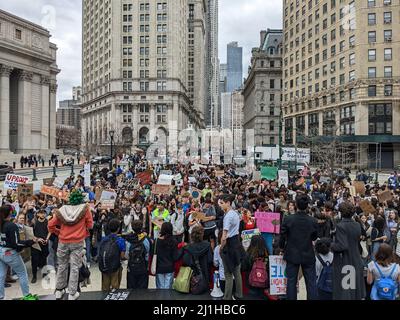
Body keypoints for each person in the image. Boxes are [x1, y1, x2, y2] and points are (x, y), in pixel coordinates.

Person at [48, 190, 93, 300]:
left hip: (63, 242)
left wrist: (59, 232)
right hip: (77, 242)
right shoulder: (85, 209)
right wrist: (84, 230)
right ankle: (72, 293)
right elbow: (90, 225)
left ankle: (59, 290)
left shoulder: (62, 209)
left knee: (62, 265)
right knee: (74, 267)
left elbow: (50, 224)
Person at [279, 193, 318, 300]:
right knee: (311, 282)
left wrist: (281, 248)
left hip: (292, 253)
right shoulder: (313, 221)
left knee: (291, 281)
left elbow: (282, 236)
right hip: (308, 253)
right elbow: (314, 237)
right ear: (307, 205)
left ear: (296, 204)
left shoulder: (288, 219)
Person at [0, 205, 38, 300]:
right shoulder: (11, 225)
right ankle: (26, 296)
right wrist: (31, 242)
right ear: (10, 213)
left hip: (1, 251)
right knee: (22, 273)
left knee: (1, 276)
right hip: (10, 253)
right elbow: (16, 243)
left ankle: (1, 296)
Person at [331, 201, 366, 300]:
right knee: (354, 290)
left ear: (341, 212)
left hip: (344, 260)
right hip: (356, 258)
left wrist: (331, 244)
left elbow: (342, 246)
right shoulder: (357, 225)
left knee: (345, 291)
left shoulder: (340, 226)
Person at [218, 194, 244, 300]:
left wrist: (221, 248)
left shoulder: (228, 216)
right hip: (236, 242)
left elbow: (224, 236)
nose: (220, 205)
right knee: (237, 272)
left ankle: (227, 297)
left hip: (229, 245)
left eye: (222, 203)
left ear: (228, 203)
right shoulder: (235, 213)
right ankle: (239, 294)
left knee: (228, 273)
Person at [182, 225, 213, 291]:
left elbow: (185, 261)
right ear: (202, 235)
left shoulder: (188, 247)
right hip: (205, 274)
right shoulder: (207, 245)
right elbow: (210, 260)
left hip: (192, 278)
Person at [99, 219, 126, 291]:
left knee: (105, 288)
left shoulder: (104, 239)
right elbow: (122, 256)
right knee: (115, 288)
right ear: (118, 228)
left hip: (104, 266)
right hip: (115, 267)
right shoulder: (120, 240)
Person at [241, 235, 269, 299]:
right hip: (264, 285)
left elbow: (243, 268)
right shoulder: (267, 255)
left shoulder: (249, 254)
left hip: (251, 285)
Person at [154, 222, 180, 289]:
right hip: (170, 267)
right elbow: (175, 257)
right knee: (168, 289)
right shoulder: (174, 241)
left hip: (159, 267)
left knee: (160, 288)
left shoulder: (157, 241)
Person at [126, 220, 150, 289]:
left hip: (131, 267)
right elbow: (147, 254)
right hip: (143, 267)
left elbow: (127, 255)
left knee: (131, 288)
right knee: (142, 289)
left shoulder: (129, 240)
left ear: (132, 228)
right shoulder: (145, 240)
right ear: (141, 227)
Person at [30, 210, 50, 284]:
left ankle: (44, 275)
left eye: (44, 213)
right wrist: (38, 239)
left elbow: (50, 231)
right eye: (41, 213)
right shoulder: (34, 222)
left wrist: (47, 239)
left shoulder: (47, 222)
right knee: (34, 260)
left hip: (44, 244)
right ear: (38, 214)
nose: (43, 214)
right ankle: (34, 276)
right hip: (35, 244)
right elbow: (30, 233)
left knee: (44, 259)